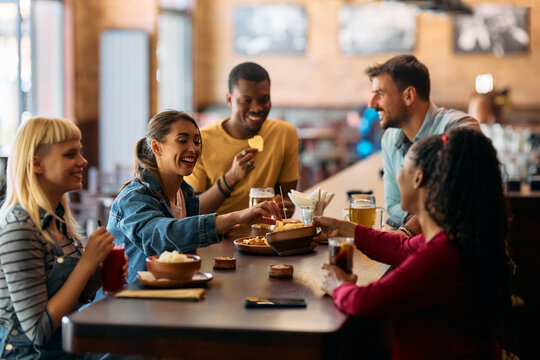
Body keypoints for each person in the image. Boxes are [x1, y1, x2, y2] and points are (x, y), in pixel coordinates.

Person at [316, 127, 512, 359]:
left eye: (403, 169)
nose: (397, 176)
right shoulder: (451, 237)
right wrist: (347, 229)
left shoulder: (442, 254)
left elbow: (367, 302)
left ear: (419, 178)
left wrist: (339, 286)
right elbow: (400, 248)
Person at [0, 117, 128, 359]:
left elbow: (69, 297)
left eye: (80, 152)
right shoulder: (19, 228)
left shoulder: (57, 220)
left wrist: (98, 276)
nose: (83, 161)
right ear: (37, 163)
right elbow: (39, 331)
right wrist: (87, 263)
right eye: (71, 154)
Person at [107, 110, 281, 284]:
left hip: (168, 296)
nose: (193, 149)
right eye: (182, 141)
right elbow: (163, 236)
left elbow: (182, 246)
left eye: (197, 142)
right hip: (125, 301)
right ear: (156, 147)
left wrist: (224, 226)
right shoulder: (133, 198)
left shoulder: (185, 194)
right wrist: (233, 217)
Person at [365, 54, 480, 234]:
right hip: (424, 246)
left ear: (409, 95)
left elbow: (452, 202)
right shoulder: (389, 137)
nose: (372, 104)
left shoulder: (460, 129)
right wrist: (416, 224)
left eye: (379, 94)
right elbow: (394, 205)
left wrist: (408, 231)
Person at [185, 62, 300, 216]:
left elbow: (285, 198)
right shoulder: (200, 140)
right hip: (217, 236)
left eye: (264, 100)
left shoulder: (285, 133)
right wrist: (231, 179)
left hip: (264, 235)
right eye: (246, 100)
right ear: (229, 99)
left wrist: (285, 206)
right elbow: (192, 212)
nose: (257, 108)